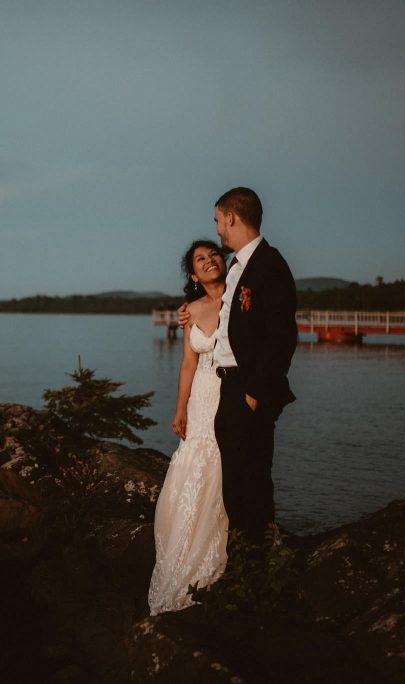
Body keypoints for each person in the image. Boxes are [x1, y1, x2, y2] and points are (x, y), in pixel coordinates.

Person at [179, 187, 298, 542]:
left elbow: (282, 336)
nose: (217, 230)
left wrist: (255, 390)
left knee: (253, 479)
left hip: (248, 389)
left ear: (231, 217)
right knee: (234, 481)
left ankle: (257, 563)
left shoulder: (269, 265)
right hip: (227, 387)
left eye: (218, 221)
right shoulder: (237, 267)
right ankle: (242, 558)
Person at [147, 240, 230, 616]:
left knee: (222, 468)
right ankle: (182, 558)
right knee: (194, 467)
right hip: (200, 398)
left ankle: (216, 559)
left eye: (213, 254)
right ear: (193, 275)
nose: (210, 260)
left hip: (230, 396)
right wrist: (180, 409)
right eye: (200, 259)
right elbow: (187, 364)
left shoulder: (239, 300)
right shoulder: (190, 312)